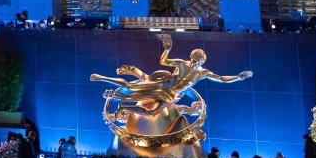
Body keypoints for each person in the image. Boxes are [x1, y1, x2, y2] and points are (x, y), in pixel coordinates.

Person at [90, 34, 252, 121]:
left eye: (199, 62)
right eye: (194, 60)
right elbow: (163, 61)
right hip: (162, 85)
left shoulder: (203, 73)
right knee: (130, 87)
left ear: (203, 61)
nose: (195, 64)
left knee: (152, 113)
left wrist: (238, 77)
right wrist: (167, 49)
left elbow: (222, 78)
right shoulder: (182, 63)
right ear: (191, 57)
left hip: (170, 95)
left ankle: (124, 108)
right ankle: (103, 81)